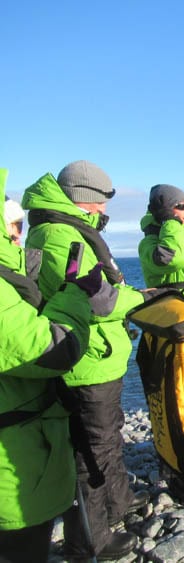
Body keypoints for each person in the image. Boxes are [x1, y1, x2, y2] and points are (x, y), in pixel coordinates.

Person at [22, 160, 149, 561]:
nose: (101, 212)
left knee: (105, 440)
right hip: (88, 364)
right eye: (98, 203)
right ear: (83, 199)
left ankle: (117, 504)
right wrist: (142, 299)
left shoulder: (53, 230)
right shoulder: (63, 236)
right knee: (92, 451)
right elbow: (101, 299)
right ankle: (92, 540)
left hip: (94, 360)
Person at [0, 168, 100, 562]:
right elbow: (54, 349)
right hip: (13, 463)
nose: (17, 235)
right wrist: (75, 296)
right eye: (11, 226)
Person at [138, 184, 184, 288]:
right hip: (171, 303)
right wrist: (170, 220)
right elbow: (173, 260)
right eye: (181, 206)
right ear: (164, 211)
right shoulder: (148, 243)